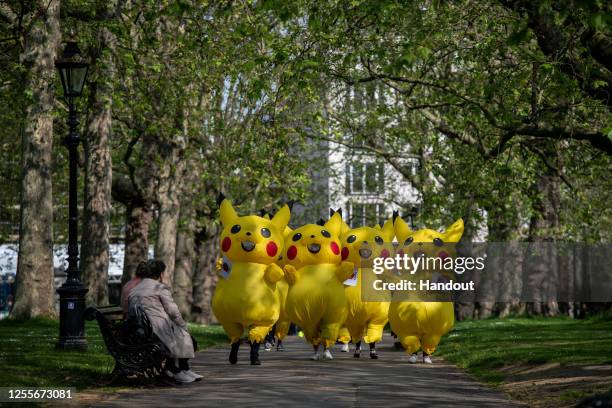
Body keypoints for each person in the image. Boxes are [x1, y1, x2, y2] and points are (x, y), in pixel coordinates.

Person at [128, 259, 201, 383]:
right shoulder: (159, 288)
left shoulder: (135, 289)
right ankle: (175, 370)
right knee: (187, 337)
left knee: (180, 336)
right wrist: (183, 325)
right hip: (157, 330)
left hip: (141, 330)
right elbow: (173, 311)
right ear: (160, 274)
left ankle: (181, 369)